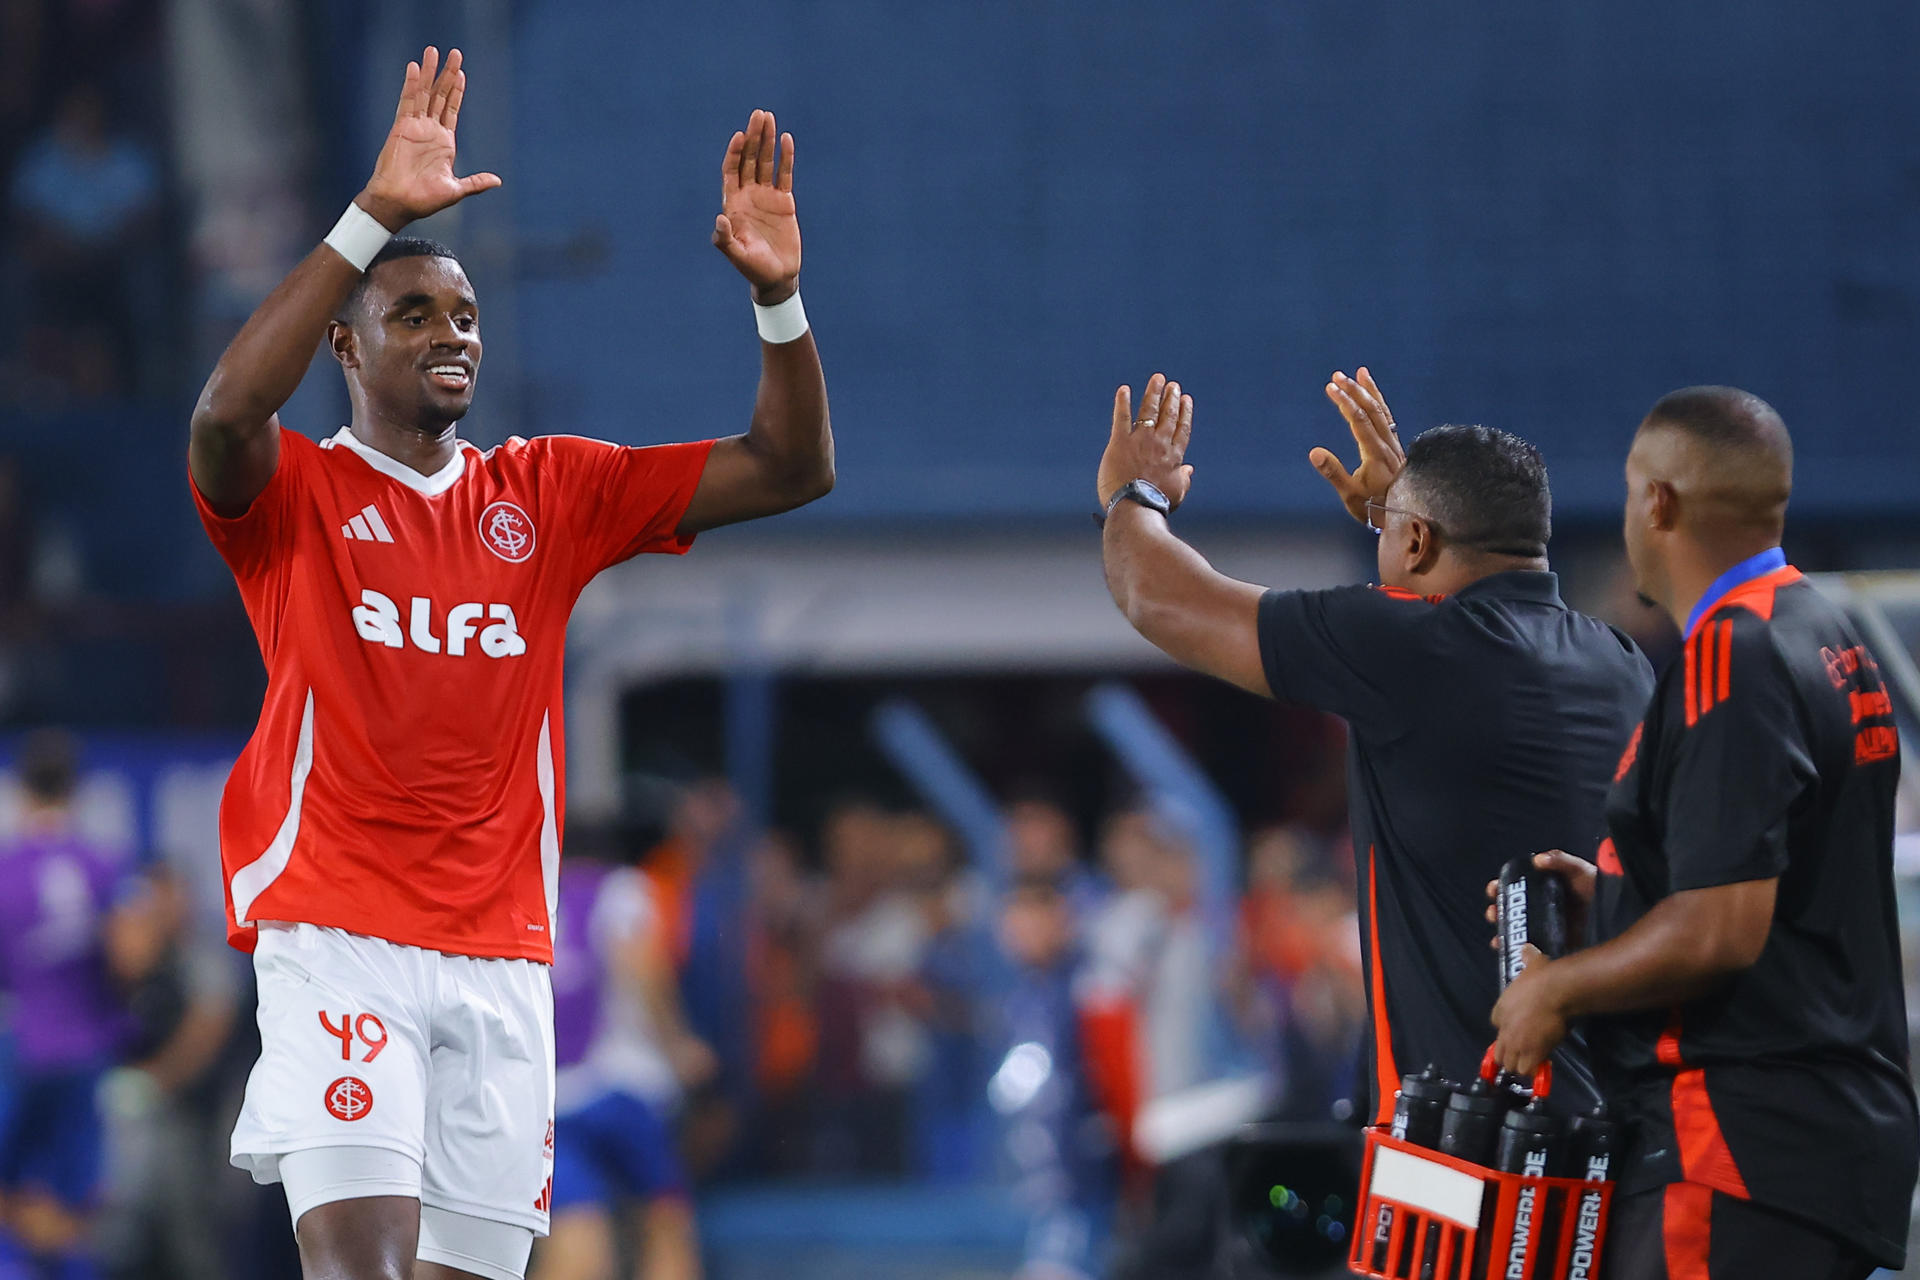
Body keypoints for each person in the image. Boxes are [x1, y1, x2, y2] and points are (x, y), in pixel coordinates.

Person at [187, 47, 832, 1280]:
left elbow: (793, 466)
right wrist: (375, 211)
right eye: (413, 312)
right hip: (337, 927)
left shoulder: (549, 491)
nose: (451, 336)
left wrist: (780, 303)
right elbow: (222, 414)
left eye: (468, 317)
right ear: (345, 345)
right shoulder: (297, 492)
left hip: (502, 956)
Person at [1095, 369, 1653, 1121]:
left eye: (1395, 530)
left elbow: (1157, 595)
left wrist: (1134, 496)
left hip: (1468, 1157)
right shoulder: (1620, 661)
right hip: (1609, 1139)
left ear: (1417, 541)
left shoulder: (1416, 651)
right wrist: (1402, 517)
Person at [1490, 387, 1917, 1280]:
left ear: (1660, 501)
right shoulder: (1827, 633)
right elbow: (1785, 881)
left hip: (1736, 1142)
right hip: (1819, 1139)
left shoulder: (1734, 651)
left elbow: (1723, 927)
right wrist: (1617, 897)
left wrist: (1556, 989)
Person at [0, 732, 152, 1280]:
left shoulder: (4, 868)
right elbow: (131, 955)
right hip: (86, 1047)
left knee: (12, 1185)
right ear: (77, 789)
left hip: (17, 1049)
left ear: (20, 790)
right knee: (78, 1200)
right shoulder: (103, 864)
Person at [535, 845, 714, 1280]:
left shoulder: (538, 892)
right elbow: (640, 964)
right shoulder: (621, 887)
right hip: (622, 1085)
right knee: (666, 1224)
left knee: (577, 1238)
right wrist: (679, 1046)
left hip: (556, 1100)